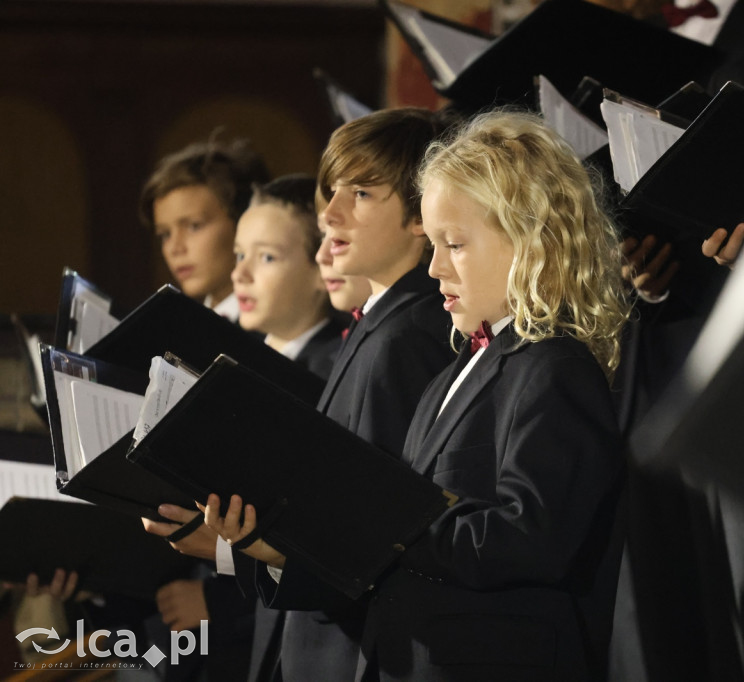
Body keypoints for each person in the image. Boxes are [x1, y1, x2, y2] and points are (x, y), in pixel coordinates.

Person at [207, 111, 631, 681]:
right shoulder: (452, 376)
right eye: (432, 244)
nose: (433, 268)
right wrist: (274, 544)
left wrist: (388, 517)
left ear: (532, 239)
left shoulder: (554, 367)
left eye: (454, 244)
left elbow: (531, 537)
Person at [201, 107, 453, 682]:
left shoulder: (407, 336)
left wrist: (248, 544)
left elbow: (370, 534)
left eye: (361, 193)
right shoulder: (380, 325)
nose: (331, 213)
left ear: (420, 212)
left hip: (351, 654)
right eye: (332, 192)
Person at [231, 173, 348, 379]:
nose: (239, 274)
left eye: (267, 257)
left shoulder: (337, 372)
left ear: (322, 267)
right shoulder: (235, 355)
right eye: (240, 255)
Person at [139, 136, 270, 320]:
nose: (175, 249)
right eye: (165, 234)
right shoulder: (182, 330)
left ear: (245, 221)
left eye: (194, 226)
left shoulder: (279, 330)